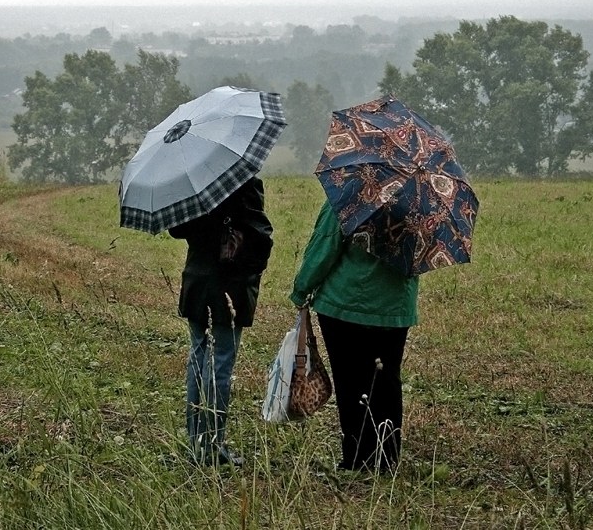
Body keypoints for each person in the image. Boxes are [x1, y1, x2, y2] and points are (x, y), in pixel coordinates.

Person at [289, 199, 418, 473]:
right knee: (387, 383)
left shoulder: (350, 194)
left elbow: (325, 247)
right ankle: (386, 458)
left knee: (351, 385)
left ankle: (357, 459)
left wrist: (302, 290)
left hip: (345, 305)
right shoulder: (422, 203)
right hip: (395, 307)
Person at [169, 176, 273, 467]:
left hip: (197, 281)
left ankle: (197, 444)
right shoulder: (243, 182)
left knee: (199, 357)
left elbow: (177, 229)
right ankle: (211, 447)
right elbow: (259, 236)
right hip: (229, 284)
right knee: (220, 363)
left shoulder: (189, 183)